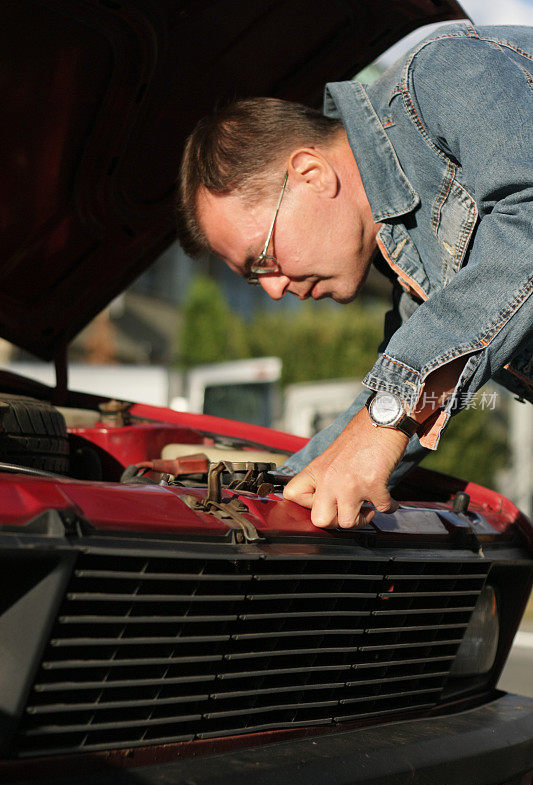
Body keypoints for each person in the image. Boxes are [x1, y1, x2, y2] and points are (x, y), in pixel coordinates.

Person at [176, 22, 533, 530]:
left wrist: (385, 420)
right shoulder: (412, 259)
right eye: (255, 280)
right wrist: (284, 488)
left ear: (311, 174)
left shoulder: (444, 74)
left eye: (263, 259)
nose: (275, 289)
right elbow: (406, 390)